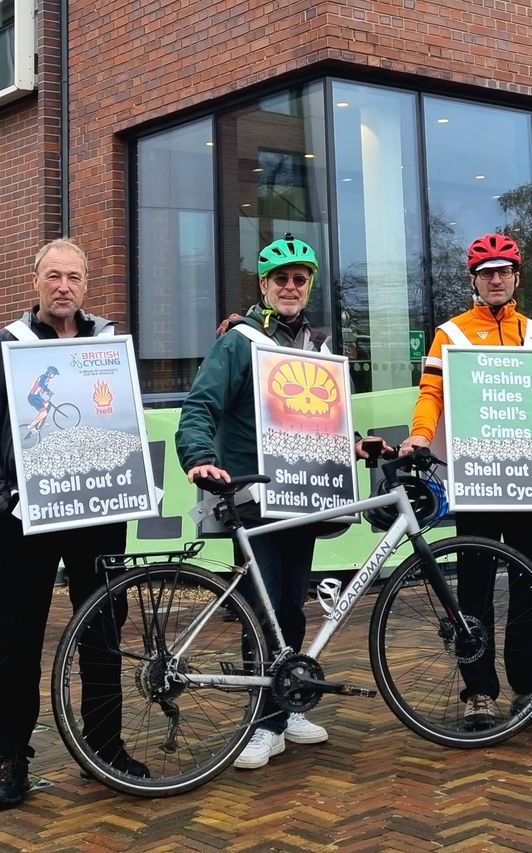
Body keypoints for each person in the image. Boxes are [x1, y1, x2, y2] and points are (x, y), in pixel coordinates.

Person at [176, 233, 386, 771]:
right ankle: (260, 724)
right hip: (255, 495)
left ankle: (286, 707)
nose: (290, 286)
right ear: (264, 286)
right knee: (260, 610)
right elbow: (202, 402)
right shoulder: (240, 341)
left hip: (303, 492)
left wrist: (354, 441)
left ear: (308, 285)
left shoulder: (316, 345)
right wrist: (199, 454)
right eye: (280, 279)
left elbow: (323, 415)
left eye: (300, 279)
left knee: (289, 606)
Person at [0, 238, 146, 810]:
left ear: (87, 285)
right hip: (29, 519)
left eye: (73, 276)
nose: (63, 286)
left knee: (104, 634)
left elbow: (122, 420)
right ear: (35, 282)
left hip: (97, 512)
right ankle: (10, 758)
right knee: (18, 640)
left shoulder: (109, 344)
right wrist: (1, 502)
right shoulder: (7, 346)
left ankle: (104, 748)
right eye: (53, 276)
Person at [399, 232, 532, 729]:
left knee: (530, 585)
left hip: (528, 476)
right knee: (471, 587)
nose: (496, 279)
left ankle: (529, 686)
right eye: (486, 272)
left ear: (516, 278)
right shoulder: (451, 333)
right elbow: (432, 391)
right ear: (475, 280)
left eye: (504, 271)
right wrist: (418, 436)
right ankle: (478, 691)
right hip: (477, 476)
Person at [25, 365, 59, 434]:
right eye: (54, 374)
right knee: (44, 413)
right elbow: (41, 385)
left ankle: (41, 421)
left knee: (47, 404)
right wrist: (49, 391)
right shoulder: (45, 377)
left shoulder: (45, 378)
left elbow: (42, 388)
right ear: (50, 373)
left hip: (37, 397)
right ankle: (31, 426)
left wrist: (48, 392)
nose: (54, 376)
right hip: (34, 397)